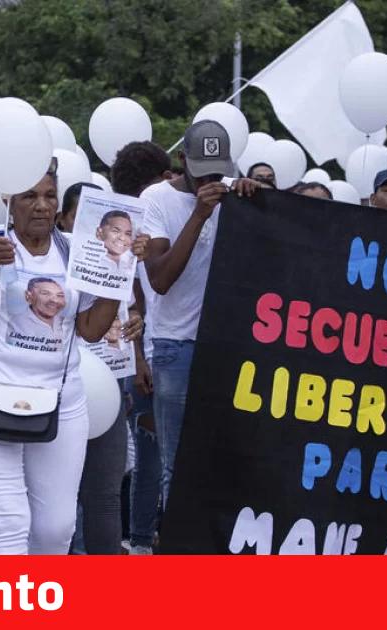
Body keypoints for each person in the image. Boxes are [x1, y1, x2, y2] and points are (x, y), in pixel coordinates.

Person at [0, 161, 129, 554]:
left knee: (56, 529)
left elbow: (92, 330)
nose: (42, 205)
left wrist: (119, 273)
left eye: (49, 195)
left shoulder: (77, 250)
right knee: (9, 517)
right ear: (10, 201)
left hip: (61, 399)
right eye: (30, 196)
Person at [141, 120, 259, 512]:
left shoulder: (234, 199)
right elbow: (159, 278)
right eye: (201, 171)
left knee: (225, 460)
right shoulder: (156, 199)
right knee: (177, 463)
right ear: (181, 161)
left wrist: (257, 203)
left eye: (217, 172)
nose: (210, 180)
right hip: (175, 345)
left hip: (226, 345)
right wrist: (199, 216)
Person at [110, 140, 173, 555]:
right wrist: (138, 360)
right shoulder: (132, 229)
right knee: (150, 455)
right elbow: (133, 295)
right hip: (143, 355)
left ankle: (141, 537)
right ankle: (139, 539)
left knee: (151, 455)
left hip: (144, 354)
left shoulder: (140, 221)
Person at [95, 210, 135, 275]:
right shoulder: (86, 260)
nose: (122, 238)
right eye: (116, 231)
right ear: (99, 233)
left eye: (127, 234)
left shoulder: (130, 264)